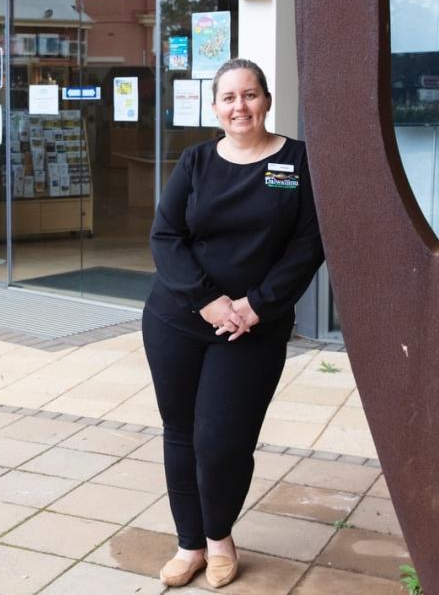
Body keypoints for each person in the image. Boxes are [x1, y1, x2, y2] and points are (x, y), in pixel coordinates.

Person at [144, 58, 324, 588]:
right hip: (177, 318)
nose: (239, 106)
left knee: (222, 441)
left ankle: (219, 537)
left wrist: (255, 305)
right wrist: (207, 301)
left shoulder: (298, 162)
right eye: (229, 97)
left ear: (266, 100)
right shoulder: (196, 161)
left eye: (249, 95)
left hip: (253, 328)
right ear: (215, 107)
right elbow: (165, 236)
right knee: (180, 433)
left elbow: (308, 244)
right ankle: (190, 544)